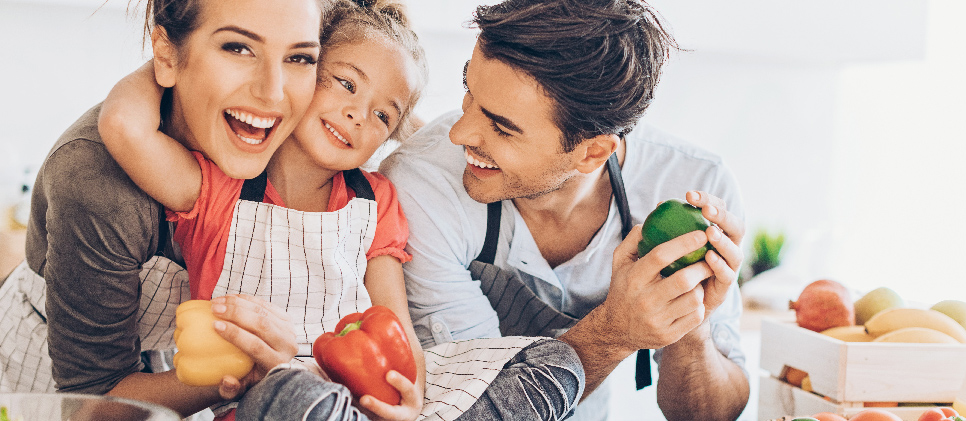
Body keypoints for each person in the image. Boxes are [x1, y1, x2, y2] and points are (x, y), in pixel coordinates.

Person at [99, 1, 584, 420]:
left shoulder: (376, 201)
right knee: (295, 394)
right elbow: (124, 127)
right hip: (266, 402)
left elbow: (394, 321)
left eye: (382, 115)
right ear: (304, 73)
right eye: (347, 84)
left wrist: (409, 394)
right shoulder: (219, 187)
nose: (358, 115)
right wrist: (171, 58)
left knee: (559, 364)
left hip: (358, 404)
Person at [378, 0, 751, 420]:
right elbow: (472, 404)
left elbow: (712, 414)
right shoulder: (421, 186)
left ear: (593, 152)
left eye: (502, 127)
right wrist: (613, 331)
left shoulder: (694, 184)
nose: (460, 132)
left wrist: (690, 320)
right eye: (469, 90)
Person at [0, 0, 323, 416]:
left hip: (169, 362)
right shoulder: (96, 181)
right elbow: (96, 399)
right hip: (42, 377)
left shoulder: (276, 141)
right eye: (238, 48)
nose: (272, 92)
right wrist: (251, 374)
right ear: (166, 53)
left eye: (299, 57)